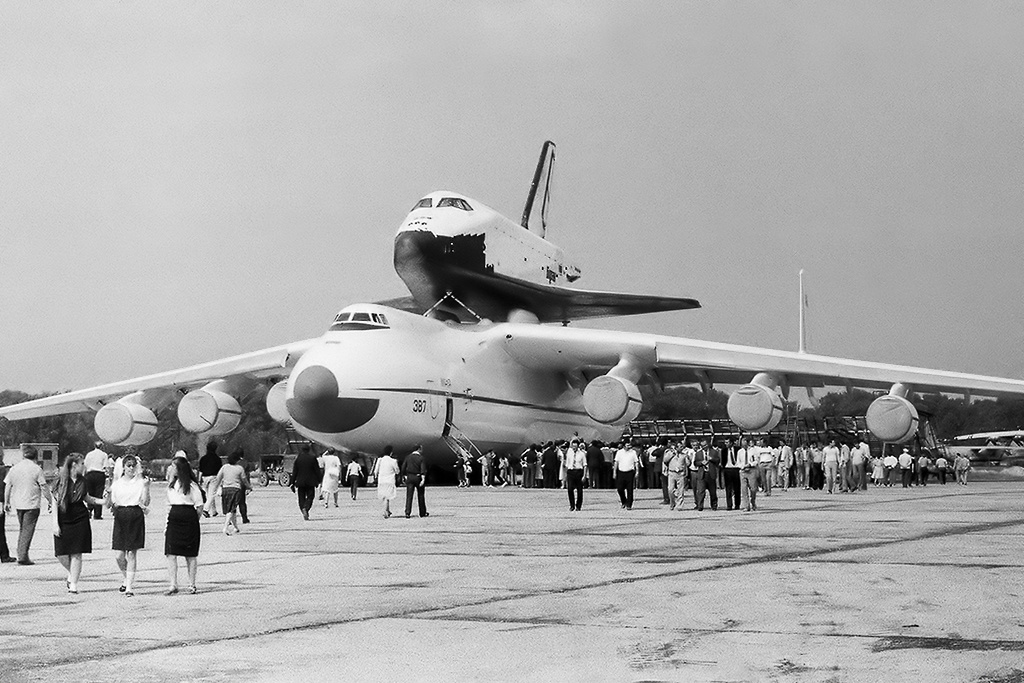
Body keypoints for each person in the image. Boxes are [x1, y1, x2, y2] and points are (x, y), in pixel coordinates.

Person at [50, 453, 104, 594]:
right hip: (63, 517)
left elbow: (87, 498)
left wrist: (103, 501)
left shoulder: (83, 480)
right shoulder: (59, 480)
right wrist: (55, 523)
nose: (84, 466)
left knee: (77, 553)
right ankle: (72, 572)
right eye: (81, 463)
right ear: (74, 464)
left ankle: (73, 584)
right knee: (61, 553)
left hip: (80, 517)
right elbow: (54, 502)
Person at [107, 455, 150, 596]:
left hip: (135, 514)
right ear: (124, 467)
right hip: (121, 515)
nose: (131, 468)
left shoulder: (140, 483)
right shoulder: (118, 483)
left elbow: (145, 501)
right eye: (129, 465)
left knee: (132, 553)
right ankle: (126, 577)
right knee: (119, 555)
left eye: (133, 465)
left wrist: (147, 488)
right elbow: (111, 502)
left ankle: (129, 586)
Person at [4, 446, 53, 565]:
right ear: (36, 456)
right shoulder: (36, 469)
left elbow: (8, 486)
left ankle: (21, 552)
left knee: (23, 529)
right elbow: (44, 486)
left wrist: (7, 502)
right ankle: (23, 556)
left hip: (19, 503)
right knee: (27, 530)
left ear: (23, 456)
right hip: (32, 504)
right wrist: (50, 500)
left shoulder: (14, 468)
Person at [164, 454, 204, 595]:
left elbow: (199, 506)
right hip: (174, 518)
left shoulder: (192, 486)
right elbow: (168, 506)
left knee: (190, 554)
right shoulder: (171, 485)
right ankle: (173, 584)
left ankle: (192, 584)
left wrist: (193, 520)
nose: (170, 468)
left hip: (188, 517)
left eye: (173, 466)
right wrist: (166, 525)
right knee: (170, 553)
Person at [211, 450, 250, 535]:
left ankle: (236, 527)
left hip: (225, 489)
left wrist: (215, 488)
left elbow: (218, 478)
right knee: (231, 509)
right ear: (237, 460)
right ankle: (225, 527)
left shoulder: (224, 467)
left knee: (231, 509)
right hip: (235, 489)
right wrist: (249, 487)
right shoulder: (240, 468)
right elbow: (244, 479)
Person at [291, 445, 323, 520]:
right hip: (310, 481)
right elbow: (317, 470)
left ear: (302, 450)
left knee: (301, 497)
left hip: (300, 482)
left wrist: (292, 483)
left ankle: (303, 508)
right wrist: (319, 480)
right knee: (310, 496)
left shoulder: (298, 459)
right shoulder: (312, 458)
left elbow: (295, 472)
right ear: (309, 450)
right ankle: (306, 508)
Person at [371, 446, 401, 518]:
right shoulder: (393, 461)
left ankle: (387, 510)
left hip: (381, 481)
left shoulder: (379, 460)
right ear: (391, 453)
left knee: (384, 496)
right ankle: (385, 511)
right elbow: (397, 471)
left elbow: (375, 471)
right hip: (390, 481)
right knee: (387, 497)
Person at [83, 441, 110, 520]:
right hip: (99, 474)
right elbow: (105, 466)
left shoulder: (89, 454)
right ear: (101, 447)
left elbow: (85, 465)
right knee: (98, 493)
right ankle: (97, 514)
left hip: (90, 474)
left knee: (90, 493)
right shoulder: (104, 455)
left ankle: (89, 510)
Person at [401, 446, 429, 518]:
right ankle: (422, 512)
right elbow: (423, 469)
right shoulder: (421, 458)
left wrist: (404, 476)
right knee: (421, 495)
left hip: (410, 477)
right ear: (419, 449)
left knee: (409, 496)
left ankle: (407, 512)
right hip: (418, 477)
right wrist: (423, 479)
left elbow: (403, 467)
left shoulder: (408, 457)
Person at [613, 440, 640, 510]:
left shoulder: (633, 452)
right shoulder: (619, 452)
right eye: (628, 445)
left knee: (630, 489)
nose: (629, 446)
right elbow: (616, 462)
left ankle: (629, 504)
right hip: (621, 472)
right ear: (624, 445)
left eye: (630, 445)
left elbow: (636, 462)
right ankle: (623, 501)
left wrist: (637, 471)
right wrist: (614, 472)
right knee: (620, 489)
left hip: (630, 472)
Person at [198, 443, 222, 518]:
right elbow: (219, 470)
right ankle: (205, 509)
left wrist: (199, 480)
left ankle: (213, 511)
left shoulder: (203, 458)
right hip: (214, 477)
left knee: (209, 494)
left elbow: (200, 470)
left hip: (205, 477)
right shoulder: (217, 459)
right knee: (212, 494)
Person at [663, 441, 686, 510]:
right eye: (680, 447)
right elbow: (665, 460)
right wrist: (672, 454)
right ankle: (672, 503)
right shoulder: (670, 453)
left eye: (682, 447)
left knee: (680, 490)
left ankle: (679, 505)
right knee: (670, 489)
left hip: (680, 473)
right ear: (676, 448)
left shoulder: (683, 455)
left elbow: (688, 463)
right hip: (671, 473)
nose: (682, 448)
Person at [565, 439, 587, 512]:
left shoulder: (582, 454)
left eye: (575, 446)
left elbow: (585, 465)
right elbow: (567, 463)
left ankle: (578, 506)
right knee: (570, 489)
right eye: (573, 446)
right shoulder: (569, 452)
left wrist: (584, 475)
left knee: (579, 490)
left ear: (578, 446)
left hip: (578, 471)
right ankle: (572, 505)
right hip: (571, 471)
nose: (574, 448)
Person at [738, 438, 759, 512]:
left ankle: (753, 501)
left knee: (753, 488)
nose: (743, 444)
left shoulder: (753, 451)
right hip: (743, 471)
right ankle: (746, 506)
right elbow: (738, 462)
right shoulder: (740, 452)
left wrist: (750, 464)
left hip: (751, 470)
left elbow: (756, 461)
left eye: (744, 443)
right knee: (744, 489)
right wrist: (742, 466)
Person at [721, 439, 741, 511]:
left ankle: (737, 504)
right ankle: (729, 505)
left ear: (731, 443)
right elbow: (722, 461)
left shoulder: (738, 449)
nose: (726, 444)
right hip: (727, 469)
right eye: (725, 442)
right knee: (728, 488)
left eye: (727, 442)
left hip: (736, 469)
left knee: (737, 488)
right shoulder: (724, 450)